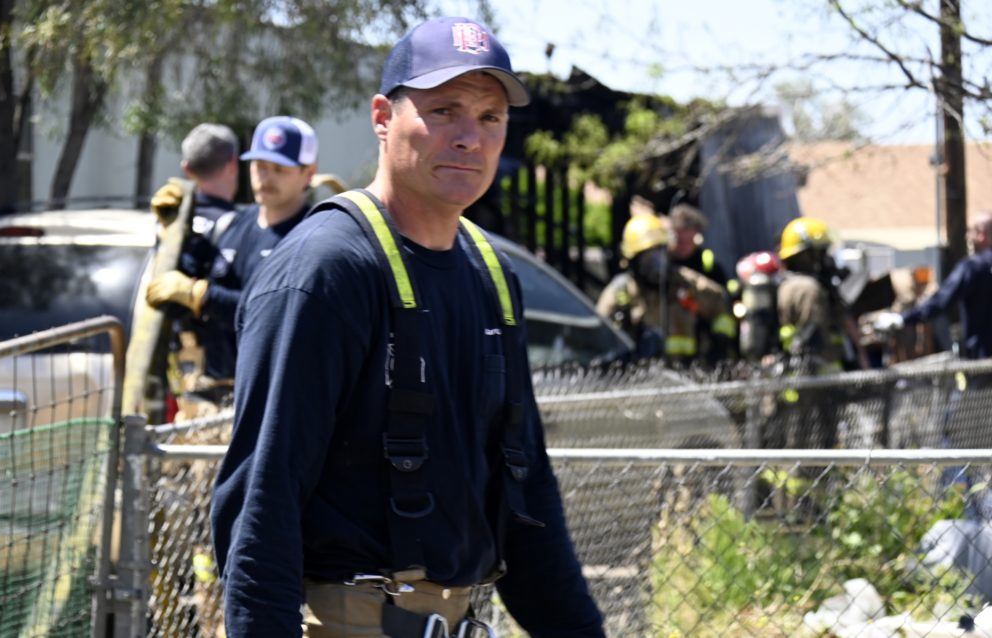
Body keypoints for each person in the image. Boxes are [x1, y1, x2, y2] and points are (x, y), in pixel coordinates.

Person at [210, 16, 605, 638]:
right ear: (382, 117)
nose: (470, 138)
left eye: (490, 116)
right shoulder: (327, 268)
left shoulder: (491, 274)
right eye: (444, 110)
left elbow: (528, 500)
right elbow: (264, 500)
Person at [145, 115, 318, 419]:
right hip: (210, 396)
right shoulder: (236, 224)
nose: (266, 177)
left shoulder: (312, 236)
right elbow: (175, 286)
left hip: (271, 400)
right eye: (259, 166)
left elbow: (277, 314)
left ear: (308, 173)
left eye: (280, 169)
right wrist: (172, 230)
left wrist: (203, 297)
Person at [773, 216, 866, 448]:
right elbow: (814, 330)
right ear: (807, 255)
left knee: (805, 431)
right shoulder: (808, 288)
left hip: (806, 375)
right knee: (813, 434)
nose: (827, 259)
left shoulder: (793, 284)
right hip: (813, 375)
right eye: (821, 252)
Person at [596, 211, 730, 363]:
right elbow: (598, 335)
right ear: (634, 260)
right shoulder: (622, 291)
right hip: (639, 373)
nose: (657, 263)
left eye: (661, 253)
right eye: (649, 258)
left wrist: (719, 343)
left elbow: (720, 304)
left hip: (688, 372)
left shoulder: (684, 282)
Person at [874, 212, 992, 360]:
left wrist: (902, 318)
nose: (967, 237)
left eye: (970, 231)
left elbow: (941, 300)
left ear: (981, 235)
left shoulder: (973, 267)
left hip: (983, 357)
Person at [667, 203, 738, 362]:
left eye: (688, 240)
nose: (683, 246)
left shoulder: (708, 267)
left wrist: (720, 340)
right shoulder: (661, 267)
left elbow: (723, 305)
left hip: (702, 345)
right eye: (679, 240)